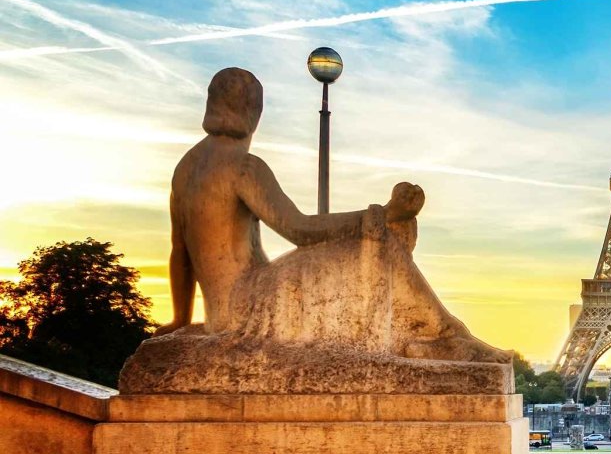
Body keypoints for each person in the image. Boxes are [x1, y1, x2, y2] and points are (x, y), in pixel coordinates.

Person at [158, 66, 510, 363]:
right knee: (377, 243)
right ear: (254, 113)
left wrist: (180, 319)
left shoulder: (186, 169)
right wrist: (382, 214)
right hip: (252, 303)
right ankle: (446, 336)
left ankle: (434, 336)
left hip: (221, 314)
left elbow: (180, 252)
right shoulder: (243, 167)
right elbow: (298, 229)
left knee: (373, 242)